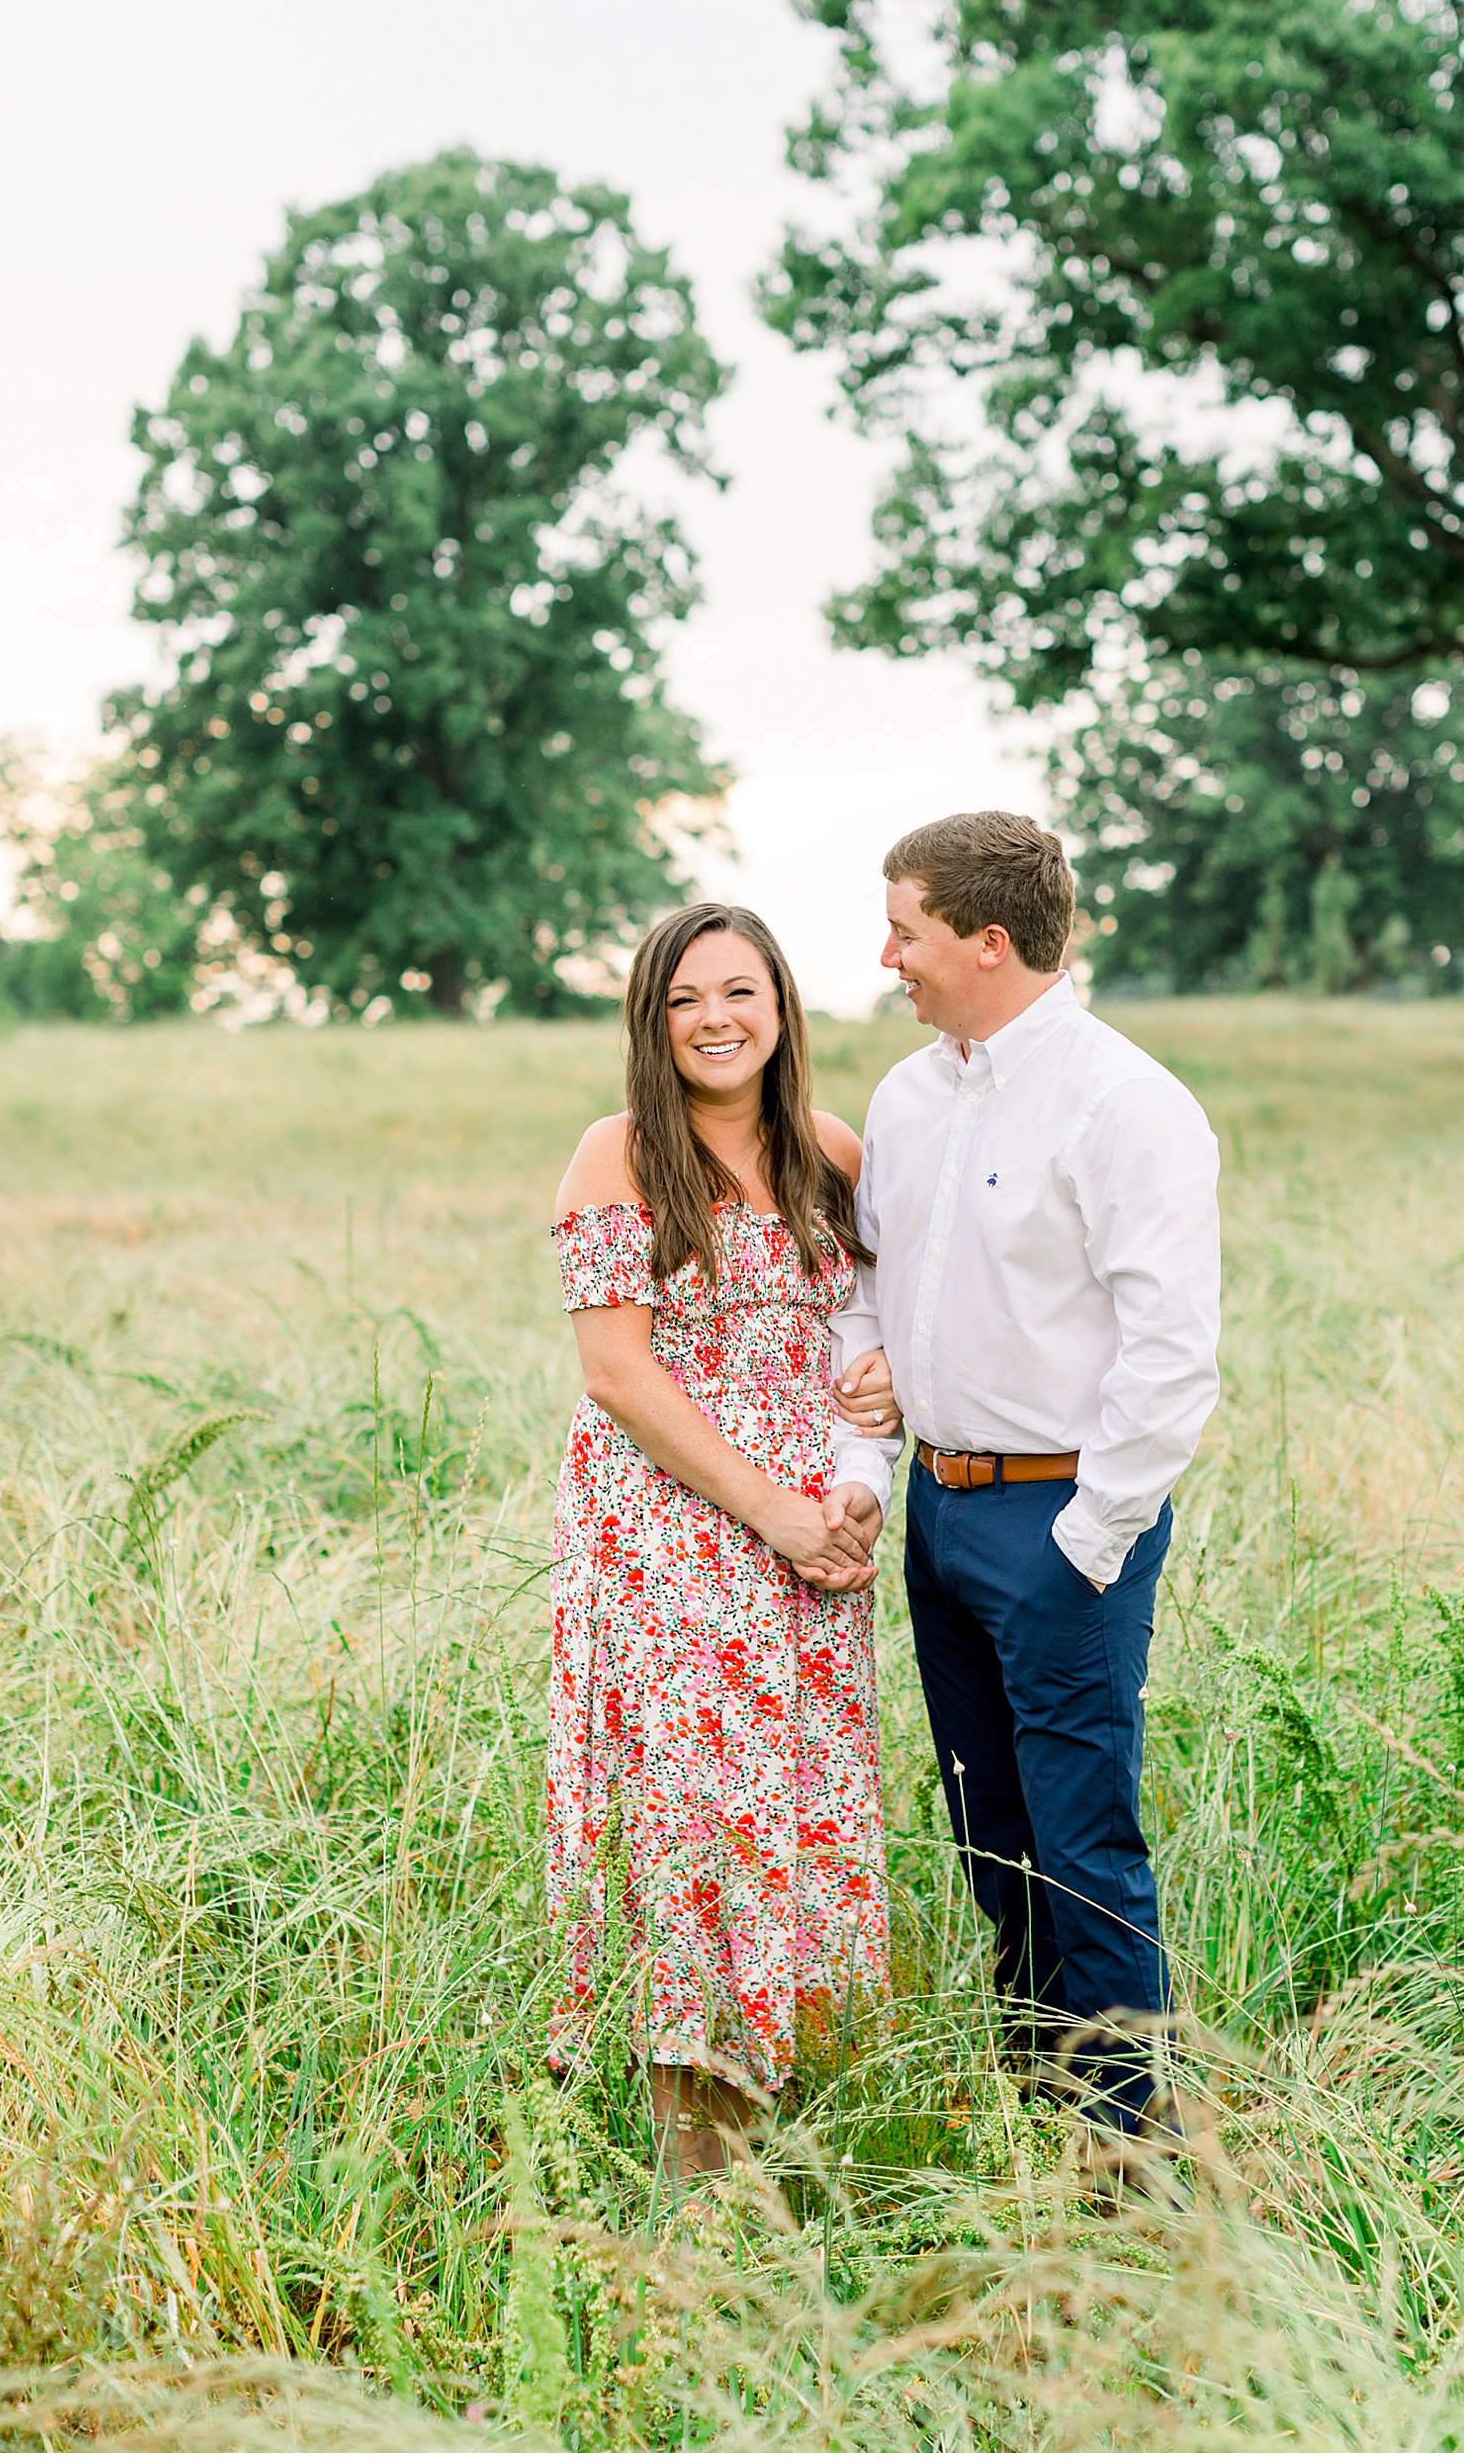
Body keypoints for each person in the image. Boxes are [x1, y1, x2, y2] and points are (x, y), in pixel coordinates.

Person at [828, 812, 1221, 2160]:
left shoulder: (1126, 1105)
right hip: (939, 1515)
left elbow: (1170, 1353)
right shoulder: (907, 1095)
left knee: (1083, 1840)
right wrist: (879, 1391)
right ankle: (1038, 2107)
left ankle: (1132, 2155)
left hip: (1061, 1523)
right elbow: (871, 1277)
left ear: (989, 940)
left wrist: (1087, 1538)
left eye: (907, 931)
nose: (889, 957)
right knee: (990, 1828)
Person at [547, 902, 898, 2178]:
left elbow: (875, 1324)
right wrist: (770, 1509)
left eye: (740, 991)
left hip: (814, 1553)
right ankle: (693, 2165)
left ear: (782, 1007)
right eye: (684, 997)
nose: (715, 1019)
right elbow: (617, 1374)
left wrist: (878, 1417)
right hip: (672, 1541)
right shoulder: (620, 1153)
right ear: (652, 1020)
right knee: (691, 1821)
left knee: (791, 1813)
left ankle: (784, 2140)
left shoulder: (833, 1150)